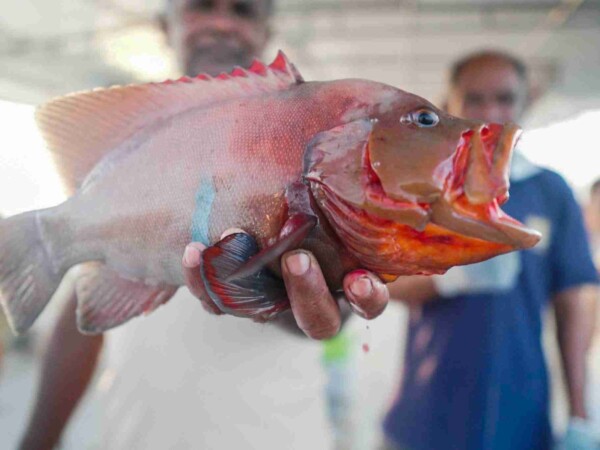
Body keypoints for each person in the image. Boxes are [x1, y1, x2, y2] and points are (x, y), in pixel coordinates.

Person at [17, 1, 389, 449]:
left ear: (266, 28)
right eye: (201, 5)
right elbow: (85, 304)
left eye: (243, 10)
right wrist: (37, 440)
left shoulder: (309, 124)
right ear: (164, 24)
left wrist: (306, 294)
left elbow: (335, 300)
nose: (220, 23)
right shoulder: (128, 139)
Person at [382, 51, 599, 450]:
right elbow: (382, 280)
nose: (489, 113)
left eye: (503, 99)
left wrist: (581, 414)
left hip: (521, 411)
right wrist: (448, 280)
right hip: (425, 413)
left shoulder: (550, 192)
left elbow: (575, 302)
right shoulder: (419, 188)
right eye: (474, 99)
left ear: (524, 103)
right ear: (448, 105)